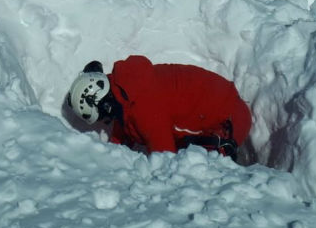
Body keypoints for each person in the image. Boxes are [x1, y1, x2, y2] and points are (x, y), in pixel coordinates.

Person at [66, 55, 251, 158]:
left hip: (229, 119)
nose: (108, 119)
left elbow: (164, 158)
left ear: (104, 102)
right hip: (223, 107)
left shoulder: (144, 106)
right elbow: (124, 125)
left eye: (104, 115)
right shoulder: (126, 89)